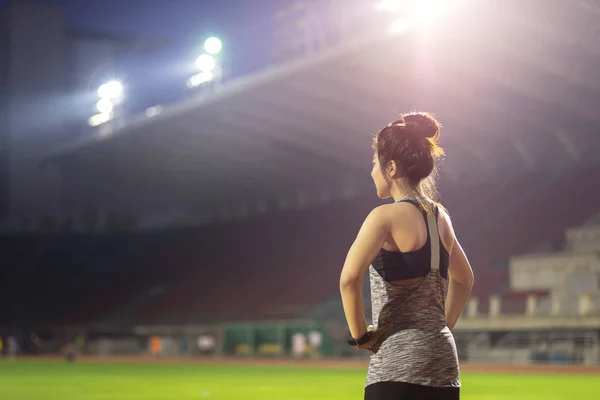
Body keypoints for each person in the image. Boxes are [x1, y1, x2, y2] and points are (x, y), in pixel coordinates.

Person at [339, 112, 474, 400]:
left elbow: (349, 280)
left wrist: (361, 337)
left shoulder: (383, 217)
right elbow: (464, 279)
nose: (372, 171)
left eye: (375, 164)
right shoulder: (441, 217)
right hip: (445, 365)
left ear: (391, 167)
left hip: (396, 367)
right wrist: (440, 326)